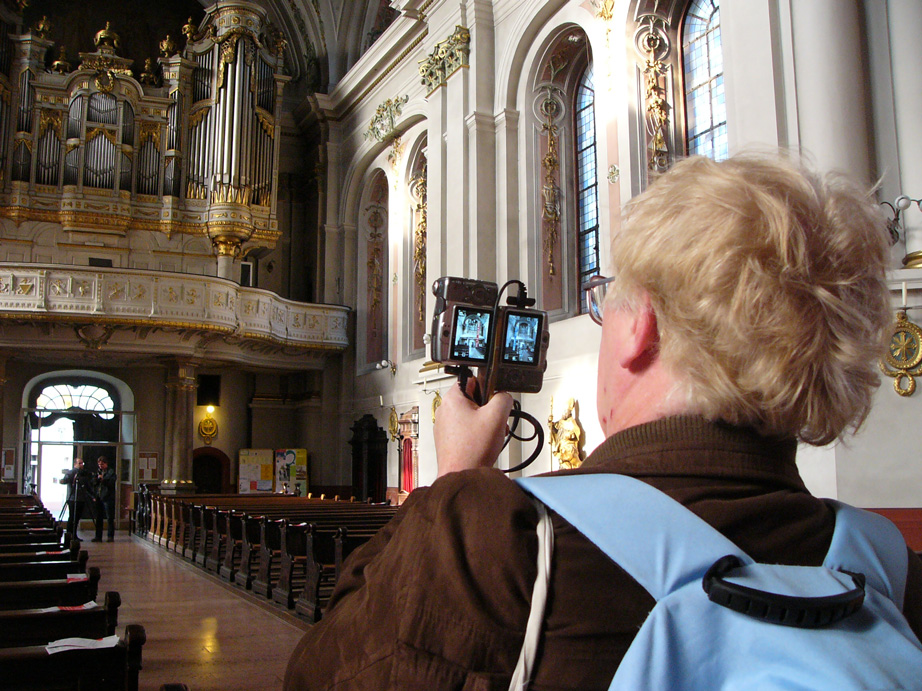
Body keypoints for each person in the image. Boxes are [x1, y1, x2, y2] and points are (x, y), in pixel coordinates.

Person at [284, 154, 922, 690]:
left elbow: (320, 677)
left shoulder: (493, 540)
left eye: (604, 304)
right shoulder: (893, 570)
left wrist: (451, 481)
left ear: (640, 326)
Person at [61, 458, 92, 542]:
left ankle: (74, 534)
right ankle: (69, 534)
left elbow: (87, 485)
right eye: (80, 463)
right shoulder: (71, 473)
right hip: (72, 498)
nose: (81, 465)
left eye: (82, 463)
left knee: (77, 517)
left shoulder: (83, 474)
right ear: (75, 464)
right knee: (72, 517)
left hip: (81, 498)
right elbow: (66, 479)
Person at [92, 457, 116, 542]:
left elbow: (111, 483)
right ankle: (98, 536)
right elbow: (94, 483)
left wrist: (103, 479)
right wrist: (96, 479)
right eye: (99, 464)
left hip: (108, 497)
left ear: (106, 464)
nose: (100, 466)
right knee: (99, 517)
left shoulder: (111, 472)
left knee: (109, 517)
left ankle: (110, 536)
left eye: (102, 464)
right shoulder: (97, 472)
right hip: (99, 497)